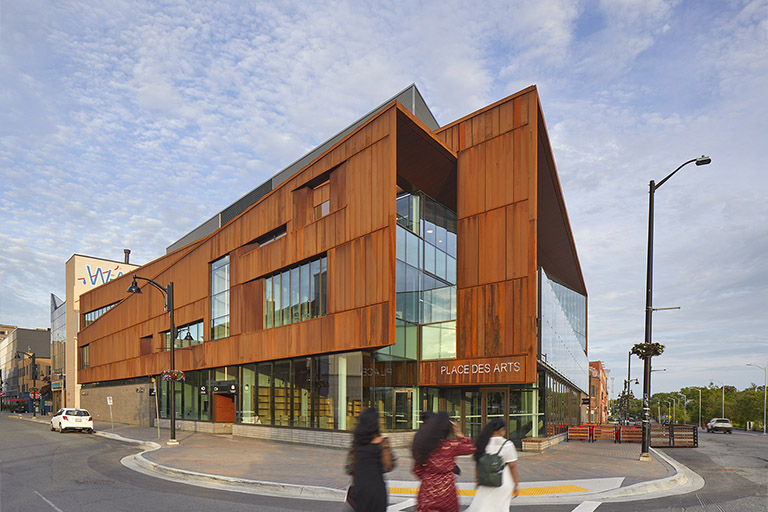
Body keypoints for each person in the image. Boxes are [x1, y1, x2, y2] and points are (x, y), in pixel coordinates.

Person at [412, 411, 475, 512]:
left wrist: (428, 477)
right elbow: (471, 448)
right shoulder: (451, 446)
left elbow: (416, 470)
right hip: (447, 492)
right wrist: (459, 434)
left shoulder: (424, 447)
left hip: (427, 491)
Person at [345, 408, 395, 512]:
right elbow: (389, 466)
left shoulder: (356, 443)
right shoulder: (381, 442)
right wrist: (385, 447)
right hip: (376, 488)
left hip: (360, 487)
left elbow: (351, 467)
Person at [466, 418, 519, 511]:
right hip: (503, 480)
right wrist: (516, 484)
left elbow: (478, 463)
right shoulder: (507, 444)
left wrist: (477, 479)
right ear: (501, 430)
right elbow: (512, 466)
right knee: (501, 507)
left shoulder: (482, 443)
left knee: (483, 506)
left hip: (485, 479)